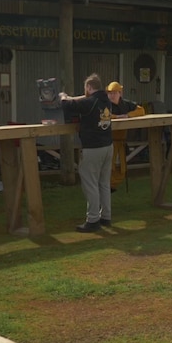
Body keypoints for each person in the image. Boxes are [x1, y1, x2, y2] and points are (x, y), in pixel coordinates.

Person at [59, 73, 113, 232]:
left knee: (90, 184)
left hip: (93, 147)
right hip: (108, 146)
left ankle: (93, 220)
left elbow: (69, 106)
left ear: (89, 87)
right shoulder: (106, 101)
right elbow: (83, 102)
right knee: (104, 183)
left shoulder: (90, 102)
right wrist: (73, 97)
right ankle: (106, 217)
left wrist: (63, 97)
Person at [106, 81, 145, 192]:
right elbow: (103, 115)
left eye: (114, 93)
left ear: (120, 93)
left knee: (121, 168)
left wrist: (128, 115)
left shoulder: (126, 104)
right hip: (109, 142)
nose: (112, 95)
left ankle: (112, 186)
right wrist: (117, 117)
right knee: (109, 167)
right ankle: (107, 186)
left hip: (121, 142)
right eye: (110, 93)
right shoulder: (105, 105)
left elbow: (141, 110)